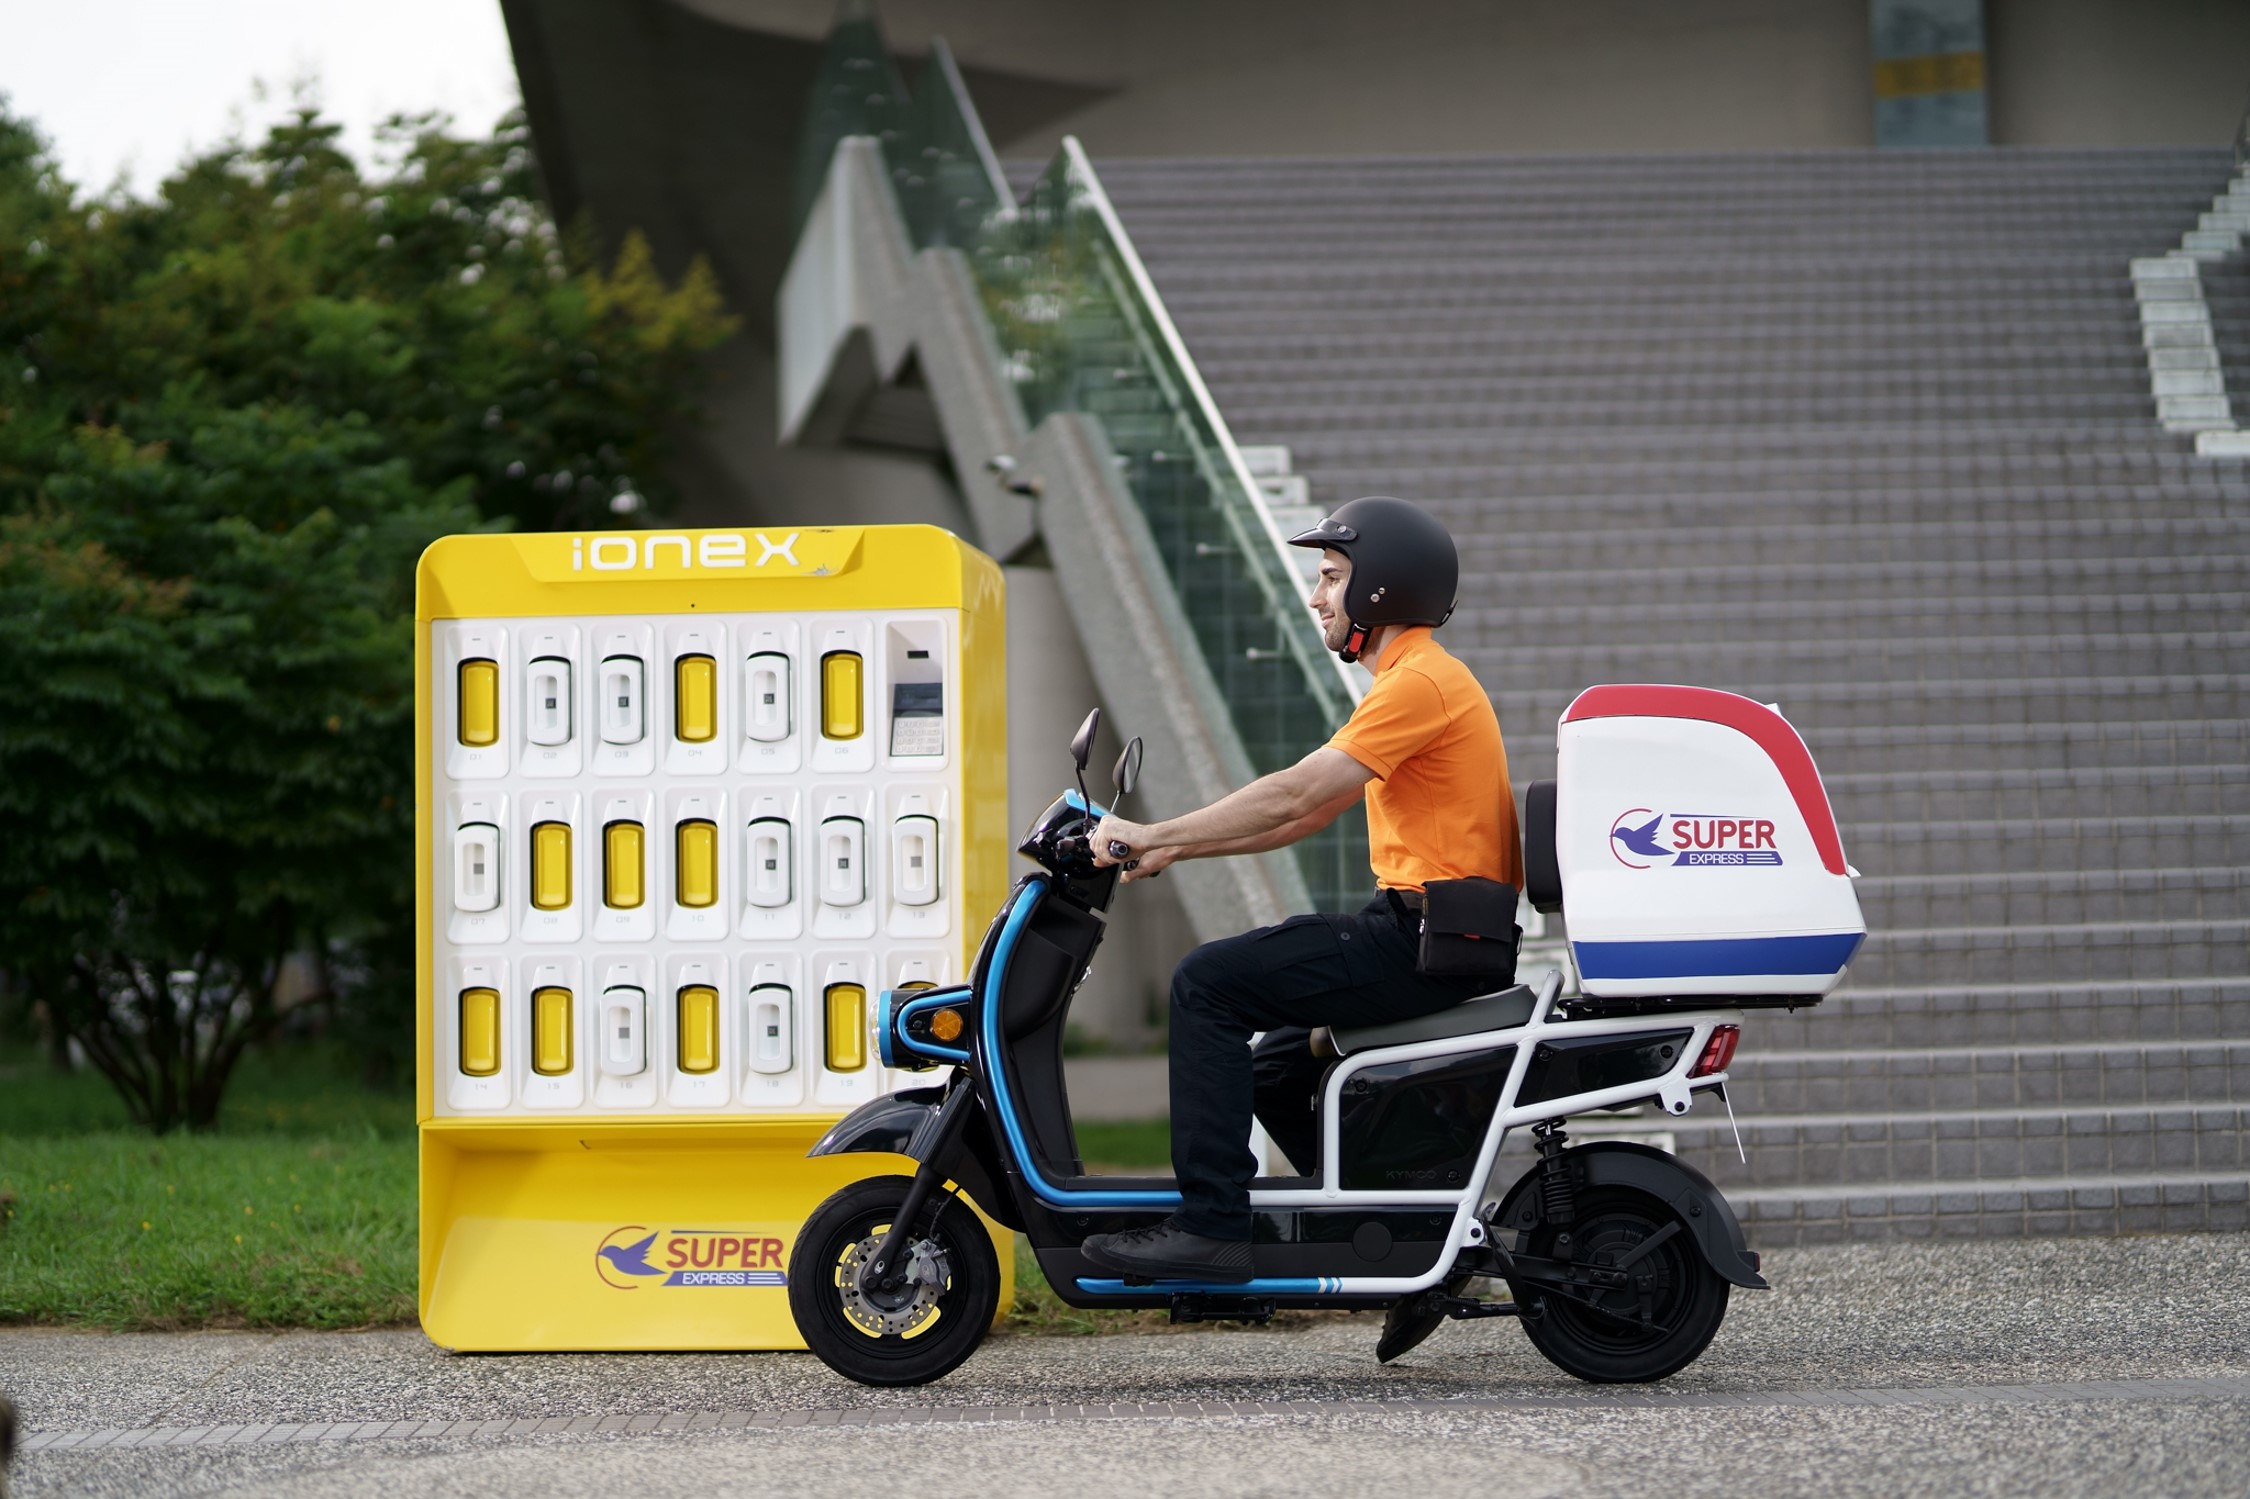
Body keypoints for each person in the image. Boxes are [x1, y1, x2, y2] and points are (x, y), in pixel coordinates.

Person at [1079, 495, 1521, 1282]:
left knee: (1204, 983)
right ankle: (1402, 1214)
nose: (1316, 597)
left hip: (1426, 937)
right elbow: (1305, 816)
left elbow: (1295, 793)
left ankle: (1211, 1228)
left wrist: (1152, 831)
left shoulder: (1419, 683)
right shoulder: (1416, 679)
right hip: (1432, 931)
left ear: (1380, 588)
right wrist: (1173, 846)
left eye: (1331, 577)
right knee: (1274, 1067)